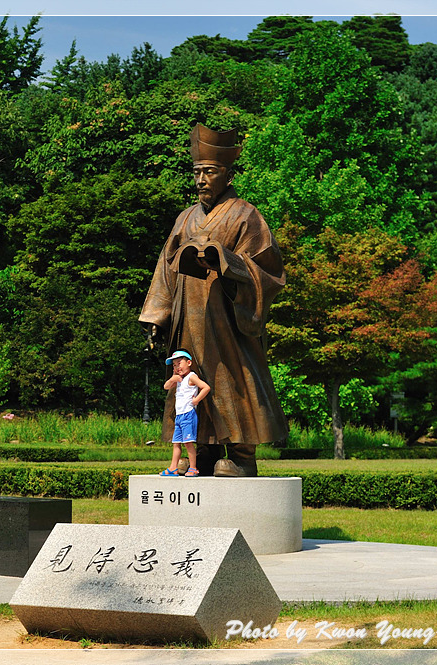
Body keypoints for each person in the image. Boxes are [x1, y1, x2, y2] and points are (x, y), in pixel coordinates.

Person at [140, 123, 287, 477]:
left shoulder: (246, 215)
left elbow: (268, 270)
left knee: (230, 380)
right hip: (187, 318)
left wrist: (226, 262)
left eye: (209, 172)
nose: (201, 180)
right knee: (190, 380)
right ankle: (201, 452)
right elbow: (166, 268)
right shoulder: (185, 218)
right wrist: (157, 315)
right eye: (197, 172)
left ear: (228, 174)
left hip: (227, 320)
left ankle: (241, 454)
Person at [159, 349, 210, 477]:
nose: (177, 367)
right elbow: (166, 386)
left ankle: (193, 468)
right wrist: (173, 378)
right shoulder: (179, 379)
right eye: (174, 365)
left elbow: (206, 387)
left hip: (188, 414)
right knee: (176, 443)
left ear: (189, 363)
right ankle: (173, 467)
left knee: (188, 443)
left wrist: (196, 400)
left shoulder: (191, 376)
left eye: (179, 363)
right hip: (179, 416)